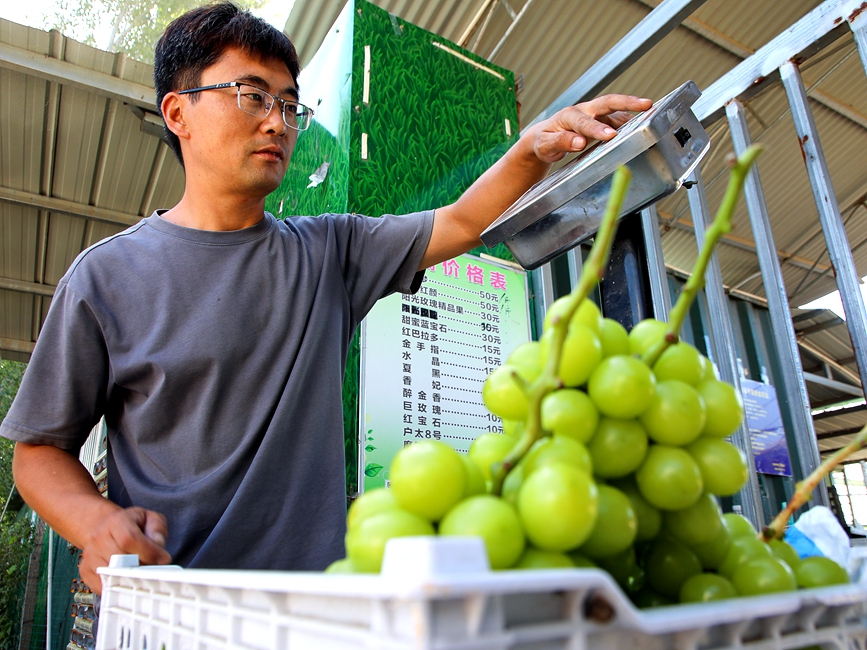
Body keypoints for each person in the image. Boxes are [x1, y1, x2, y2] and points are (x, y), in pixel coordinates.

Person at [1, 2, 651, 594]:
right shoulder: (106, 278)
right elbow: (38, 450)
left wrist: (532, 148)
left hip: (314, 608)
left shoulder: (330, 252)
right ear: (178, 113)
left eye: (289, 105)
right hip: (172, 608)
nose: (278, 123)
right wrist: (96, 523)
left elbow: (458, 223)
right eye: (251, 95)